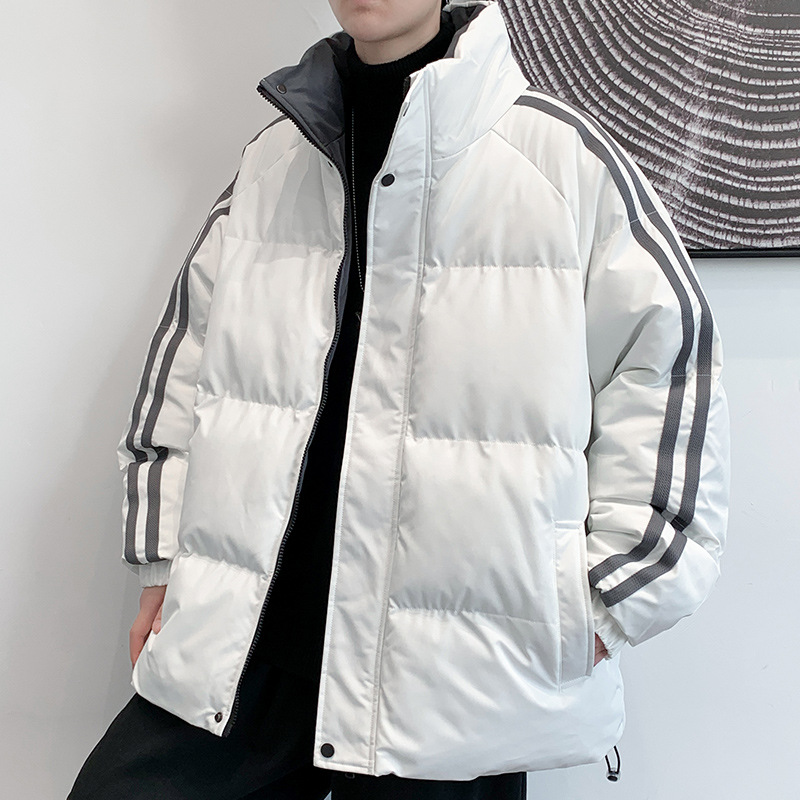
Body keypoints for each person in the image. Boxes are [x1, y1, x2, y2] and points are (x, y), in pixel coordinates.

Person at [68, 0, 730, 796]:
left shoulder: (563, 163)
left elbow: (670, 376)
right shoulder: (276, 162)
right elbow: (182, 369)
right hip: (253, 648)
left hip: (453, 679)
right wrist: (164, 563)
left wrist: (602, 602)